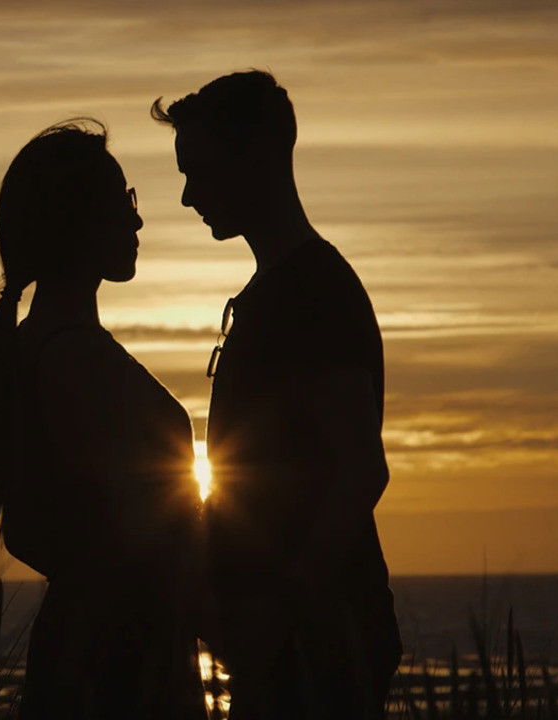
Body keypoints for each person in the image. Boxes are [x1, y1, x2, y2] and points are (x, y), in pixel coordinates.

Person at [151, 71, 402, 719]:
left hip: (316, 644)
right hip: (282, 642)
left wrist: (285, 608)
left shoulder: (316, 293)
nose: (187, 197)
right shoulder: (273, 295)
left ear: (256, 157)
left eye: (198, 171)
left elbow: (358, 470)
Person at [0, 120, 206, 719]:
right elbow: (119, 533)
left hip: (103, 649)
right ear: (79, 222)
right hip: (121, 665)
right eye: (123, 201)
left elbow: (33, 531)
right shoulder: (71, 359)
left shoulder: (39, 348)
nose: (137, 221)